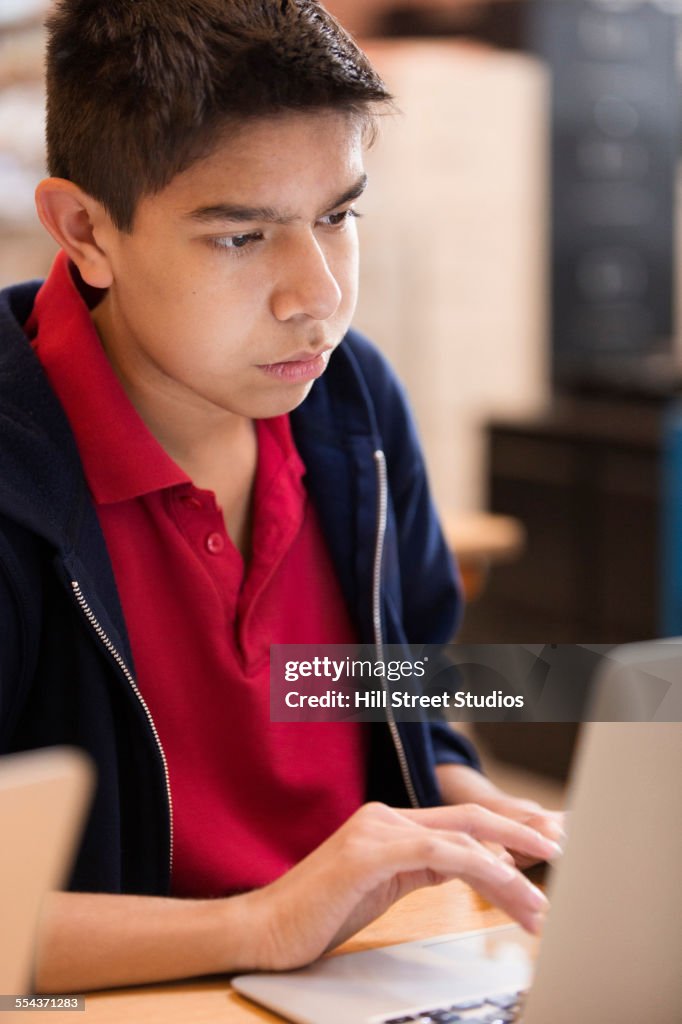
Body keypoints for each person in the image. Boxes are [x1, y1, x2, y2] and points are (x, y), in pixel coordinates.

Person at [0, 0, 563, 993]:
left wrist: (483, 819)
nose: (319, 295)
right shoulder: (16, 459)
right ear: (85, 229)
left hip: (378, 974)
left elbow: (397, 701)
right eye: (240, 237)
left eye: (338, 216)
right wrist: (263, 921)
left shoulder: (352, 401)